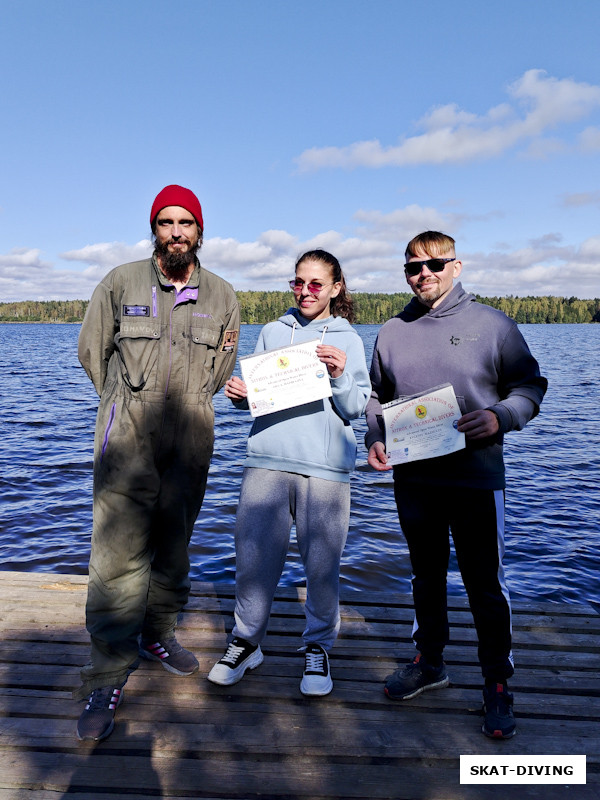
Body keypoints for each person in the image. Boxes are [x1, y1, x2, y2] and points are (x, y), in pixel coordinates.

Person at [366, 231, 547, 739]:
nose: (423, 274)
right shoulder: (391, 331)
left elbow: (531, 386)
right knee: (425, 577)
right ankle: (430, 662)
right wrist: (373, 438)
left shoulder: (493, 325)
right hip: (414, 479)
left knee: (484, 584)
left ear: (457, 266)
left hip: (476, 481)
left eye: (434, 264)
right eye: (412, 267)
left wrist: (501, 417)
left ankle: (496, 682)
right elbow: (378, 399)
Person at [75, 185, 240, 741]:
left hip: (191, 438)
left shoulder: (223, 296)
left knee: (174, 543)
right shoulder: (120, 283)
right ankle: (106, 672)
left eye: (185, 222)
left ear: (199, 230)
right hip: (127, 440)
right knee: (117, 556)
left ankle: (158, 631)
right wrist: (124, 407)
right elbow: (91, 353)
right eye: (166, 222)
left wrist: (187, 406)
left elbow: (222, 368)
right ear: (155, 229)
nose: (175, 231)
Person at [207, 249, 370, 695]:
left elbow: (355, 407)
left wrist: (339, 375)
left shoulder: (348, 340)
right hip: (267, 462)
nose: (305, 291)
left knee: (322, 567)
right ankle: (246, 641)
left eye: (315, 284)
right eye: (298, 282)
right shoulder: (273, 331)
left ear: (336, 288)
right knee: (253, 561)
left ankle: (317, 649)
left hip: (325, 470)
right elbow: (257, 400)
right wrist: (241, 394)